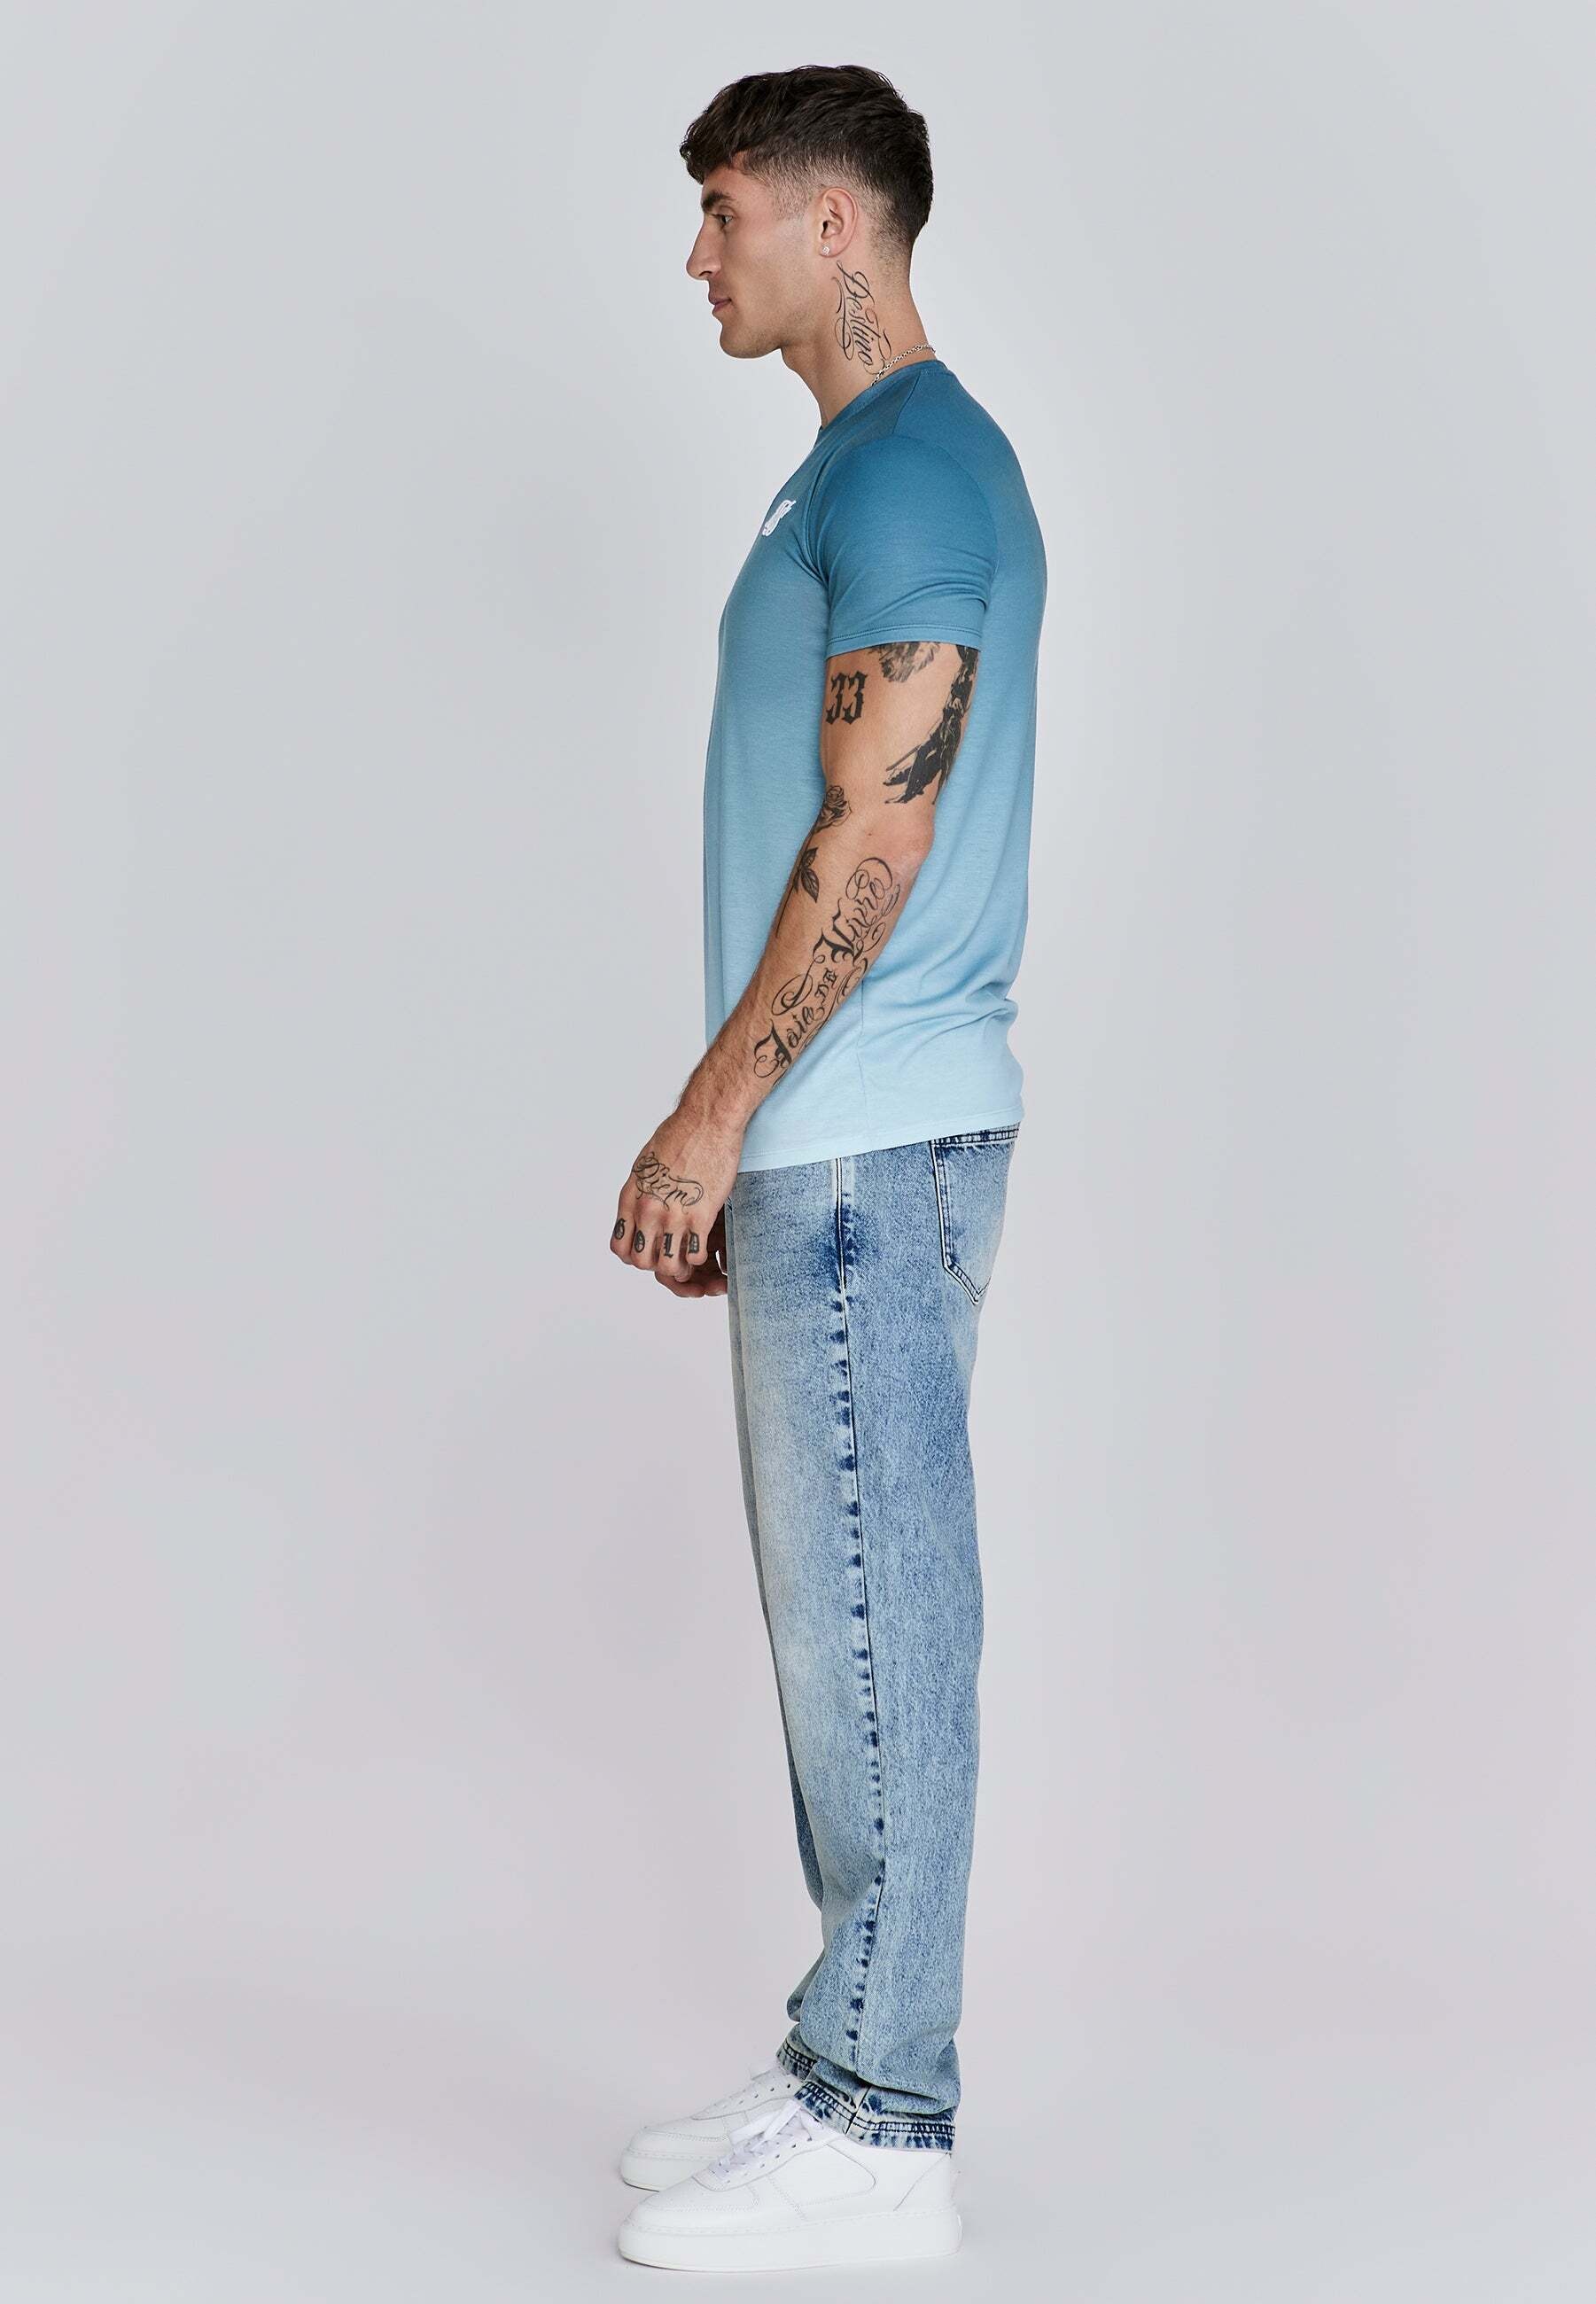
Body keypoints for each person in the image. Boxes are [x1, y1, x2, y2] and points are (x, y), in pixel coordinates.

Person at [606, 63, 1047, 2273]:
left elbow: (883, 819)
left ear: (837, 223)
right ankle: (838, 2050)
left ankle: (886, 2124)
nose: (698, 255)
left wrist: (715, 1111)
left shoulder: (918, 462)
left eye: (724, 210)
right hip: (842, 1138)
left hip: (864, 1134)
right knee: (838, 1621)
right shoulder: (853, 466)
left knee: (878, 1624)